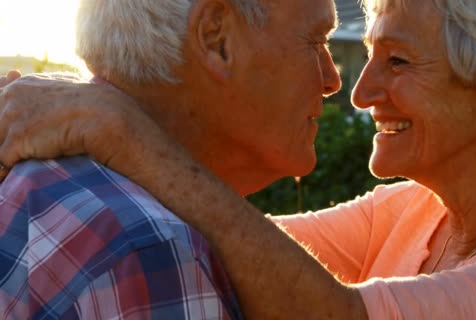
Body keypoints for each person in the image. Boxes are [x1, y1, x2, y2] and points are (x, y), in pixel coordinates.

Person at [1, 0, 476, 318]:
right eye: (364, 55)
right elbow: (224, 242)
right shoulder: (412, 211)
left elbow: (331, 318)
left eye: (397, 62)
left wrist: (122, 129)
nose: (359, 91)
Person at [0, 0, 341, 318]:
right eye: (316, 40)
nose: (333, 80)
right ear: (216, 39)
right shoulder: (152, 251)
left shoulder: (41, 178)